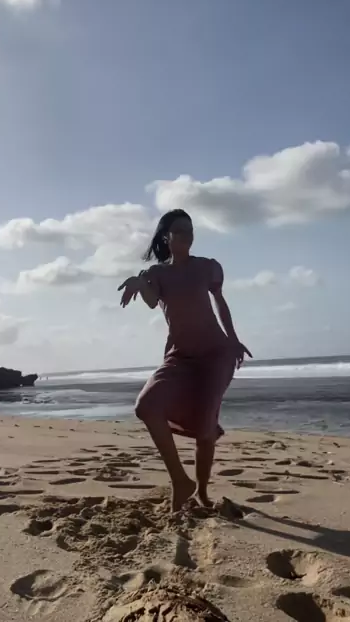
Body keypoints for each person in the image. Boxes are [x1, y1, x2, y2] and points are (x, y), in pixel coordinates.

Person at [118, 209, 251, 512]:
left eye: (190, 230)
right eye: (179, 230)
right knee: (146, 406)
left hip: (216, 354)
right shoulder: (157, 273)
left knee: (205, 428)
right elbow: (152, 301)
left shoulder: (207, 267)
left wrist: (233, 339)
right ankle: (180, 480)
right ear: (166, 236)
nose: (186, 236)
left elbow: (219, 302)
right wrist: (138, 282)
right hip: (180, 355)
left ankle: (202, 492)